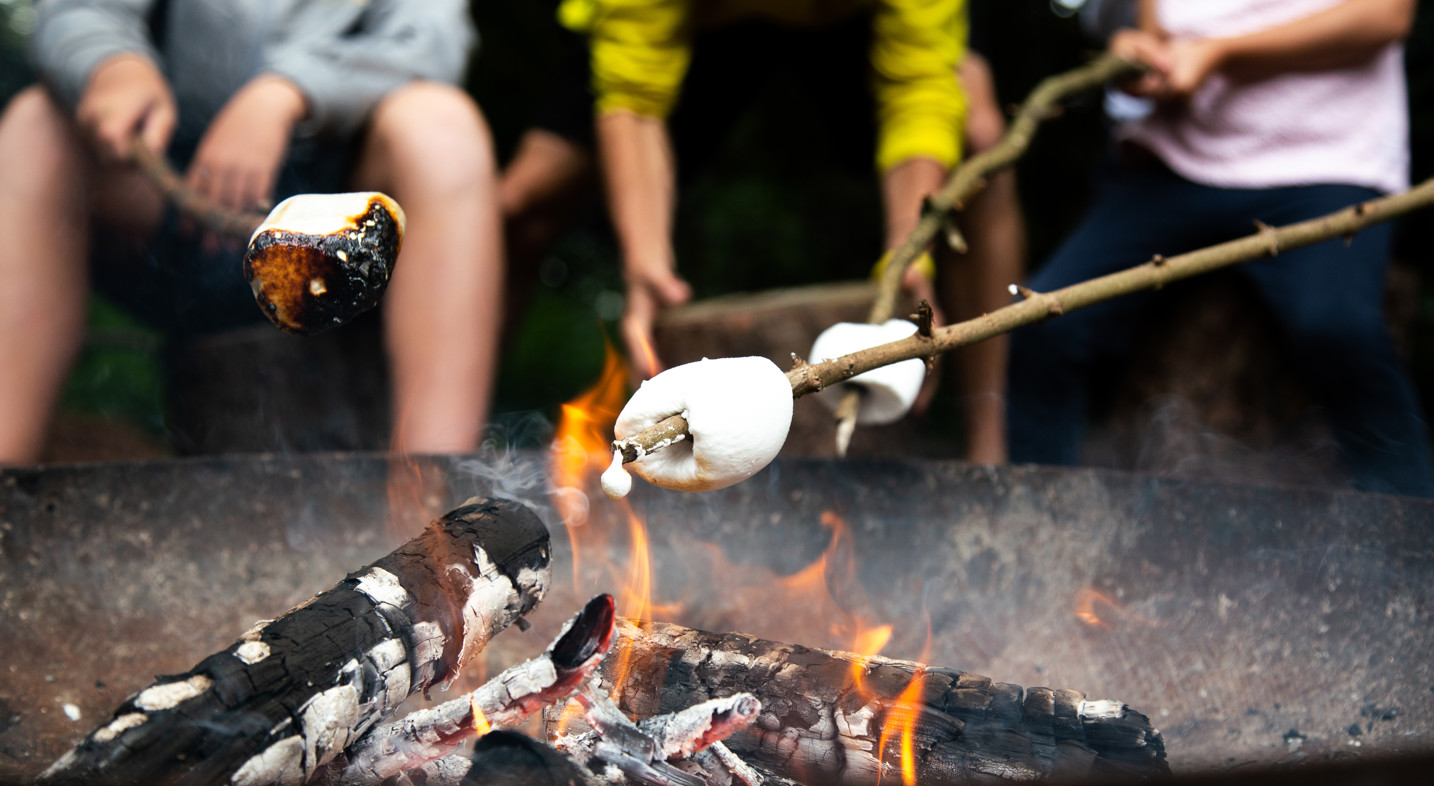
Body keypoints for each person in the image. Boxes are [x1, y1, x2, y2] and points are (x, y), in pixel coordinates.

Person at [500, 0, 1025, 464]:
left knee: (980, 139)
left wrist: (911, 254)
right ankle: (450, 448)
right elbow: (633, 99)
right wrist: (645, 259)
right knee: (521, 201)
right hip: (701, 16)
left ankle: (987, 451)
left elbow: (919, 86)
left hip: (853, 16)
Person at [0, 0, 505, 464]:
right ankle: (8, 481)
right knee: (35, 126)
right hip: (166, 189)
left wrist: (286, 92)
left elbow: (432, 42)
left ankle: (436, 490)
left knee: (444, 128)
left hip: (352, 217)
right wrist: (111, 63)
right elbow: (78, 11)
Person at [1005, 0, 1434, 497]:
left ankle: (1417, 543)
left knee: (1337, 326)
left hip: (1330, 164)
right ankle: (1044, 521)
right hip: (1176, 163)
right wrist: (1139, 57)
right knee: (1045, 319)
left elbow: (1385, 16)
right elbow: (1160, 40)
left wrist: (1221, 53)